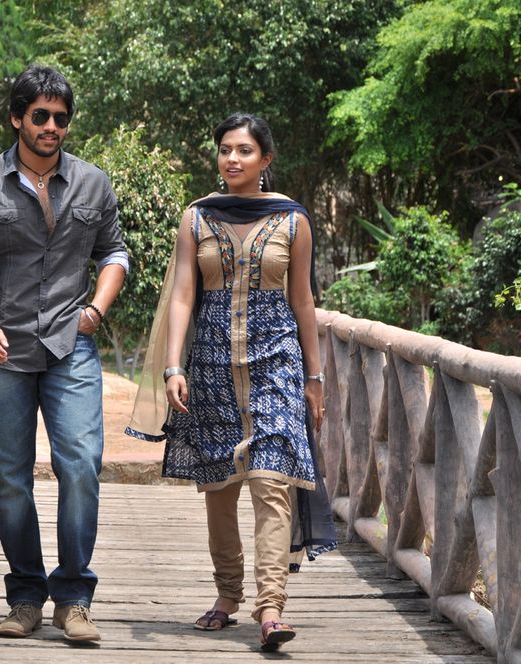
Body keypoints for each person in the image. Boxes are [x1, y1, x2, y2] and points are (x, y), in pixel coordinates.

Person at [126, 113, 337, 652]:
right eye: (225, 150)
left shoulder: (292, 219)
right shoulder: (197, 217)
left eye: (244, 150)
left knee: (272, 481)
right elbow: (182, 295)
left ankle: (271, 608)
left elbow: (303, 300)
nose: (232, 159)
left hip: (277, 363)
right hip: (213, 366)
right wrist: (173, 366)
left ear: (266, 159)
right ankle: (227, 594)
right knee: (219, 487)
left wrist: (314, 376)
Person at [0, 64, 128, 643]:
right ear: (17, 118)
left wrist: (95, 311)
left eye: (61, 118)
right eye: (41, 116)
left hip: (71, 344)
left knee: (81, 464)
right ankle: (25, 595)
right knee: (10, 477)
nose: (52, 127)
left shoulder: (93, 183)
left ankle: (73, 597)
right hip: (3, 348)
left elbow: (114, 254)